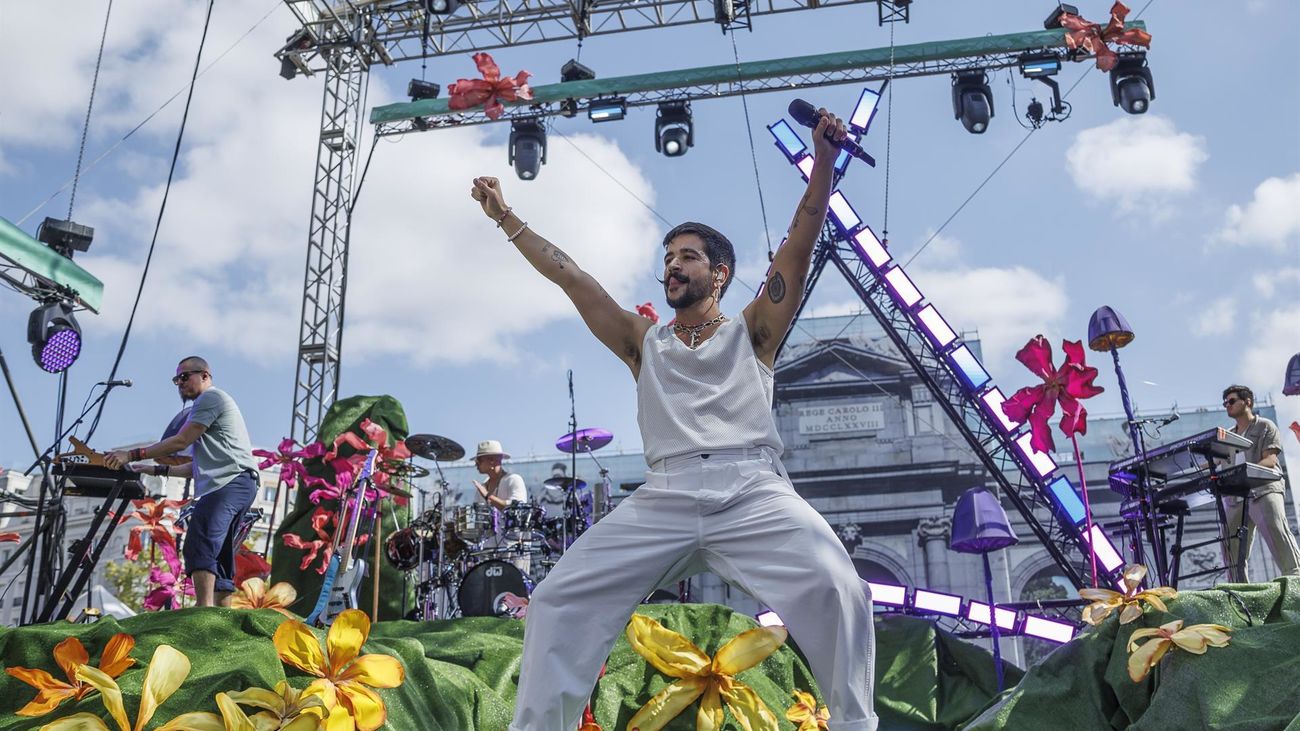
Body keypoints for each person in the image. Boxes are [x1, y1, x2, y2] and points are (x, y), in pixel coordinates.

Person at [471, 107, 877, 731]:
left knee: (840, 588)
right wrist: (505, 219)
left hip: (751, 490)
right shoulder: (644, 341)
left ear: (719, 273)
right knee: (555, 599)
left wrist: (823, 161)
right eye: (668, 257)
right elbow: (572, 278)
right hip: (665, 494)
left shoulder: (755, 331)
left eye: (687, 256)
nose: (673, 266)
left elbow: (802, 239)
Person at [105, 356, 259, 607]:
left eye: (185, 377)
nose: (180, 383)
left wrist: (132, 454)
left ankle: (203, 608)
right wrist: (153, 470)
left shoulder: (210, 398)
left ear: (205, 376)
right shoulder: (213, 410)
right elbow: (196, 468)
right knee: (220, 551)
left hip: (230, 483)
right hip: (239, 483)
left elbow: (180, 441)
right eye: (176, 379)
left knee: (200, 541)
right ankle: (221, 616)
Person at [1220, 384, 1300, 580]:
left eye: (1231, 401)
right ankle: (1239, 591)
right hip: (1236, 497)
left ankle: (1296, 580)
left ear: (1247, 402)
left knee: (1278, 535)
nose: (1227, 405)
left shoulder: (1265, 426)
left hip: (1263, 490)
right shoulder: (1228, 436)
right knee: (1229, 545)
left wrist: (1244, 473)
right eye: (1225, 403)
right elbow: (1212, 461)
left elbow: (1270, 461)